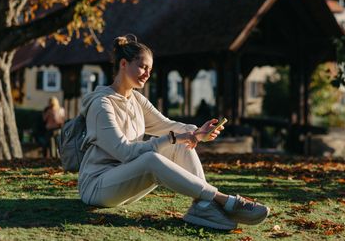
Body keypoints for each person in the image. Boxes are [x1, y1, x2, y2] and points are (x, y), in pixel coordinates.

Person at [78, 35, 269, 230]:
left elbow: (167, 125)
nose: (147, 74)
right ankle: (222, 199)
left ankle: (202, 206)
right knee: (152, 157)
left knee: (182, 145)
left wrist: (196, 133)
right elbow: (125, 152)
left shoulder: (136, 99)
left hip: (125, 184)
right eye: (143, 67)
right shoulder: (101, 104)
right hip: (97, 187)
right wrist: (172, 138)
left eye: (150, 70)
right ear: (124, 64)